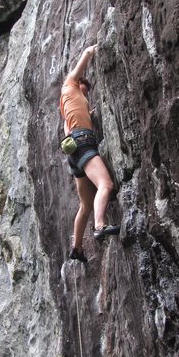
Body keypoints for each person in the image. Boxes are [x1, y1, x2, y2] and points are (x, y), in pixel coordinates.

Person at [60, 43, 120, 263]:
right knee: (106, 185)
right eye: (85, 90)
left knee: (85, 205)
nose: (86, 95)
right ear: (79, 84)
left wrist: (87, 113)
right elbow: (85, 53)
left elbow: (70, 126)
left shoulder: (68, 105)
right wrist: (98, 46)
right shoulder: (71, 83)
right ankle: (100, 226)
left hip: (73, 150)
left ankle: (76, 248)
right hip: (83, 142)